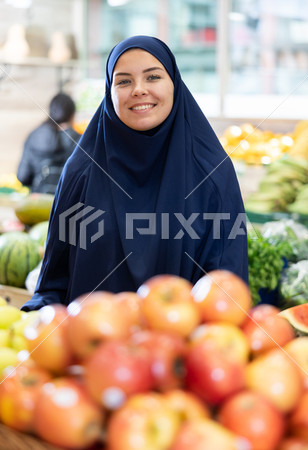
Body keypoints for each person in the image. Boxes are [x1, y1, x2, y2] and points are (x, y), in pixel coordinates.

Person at [21, 35, 248, 311]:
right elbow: (52, 286)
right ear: (109, 91)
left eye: (153, 77)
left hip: (180, 348)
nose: (138, 90)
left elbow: (227, 294)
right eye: (124, 81)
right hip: (89, 345)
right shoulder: (81, 171)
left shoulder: (212, 174)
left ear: (174, 83)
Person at [17, 92, 82, 195]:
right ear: (72, 115)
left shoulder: (34, 136)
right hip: (68, 204)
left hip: (38, 203)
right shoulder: (80, 140)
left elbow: (23, 176)